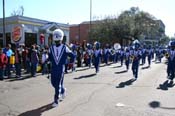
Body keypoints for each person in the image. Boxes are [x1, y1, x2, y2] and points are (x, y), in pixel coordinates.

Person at [48, 29, 74, 107]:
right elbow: (50, 57)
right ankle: (63, 90)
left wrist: (70, 63)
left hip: (60, 68)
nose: (56, 41)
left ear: (61, 38)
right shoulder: (51, 47)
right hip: (53, 68)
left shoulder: (64, 47)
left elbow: (72, 55)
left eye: (57, 39)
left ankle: (56, 100)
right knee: (53, 83)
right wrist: (47, 61)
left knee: (58, 84)